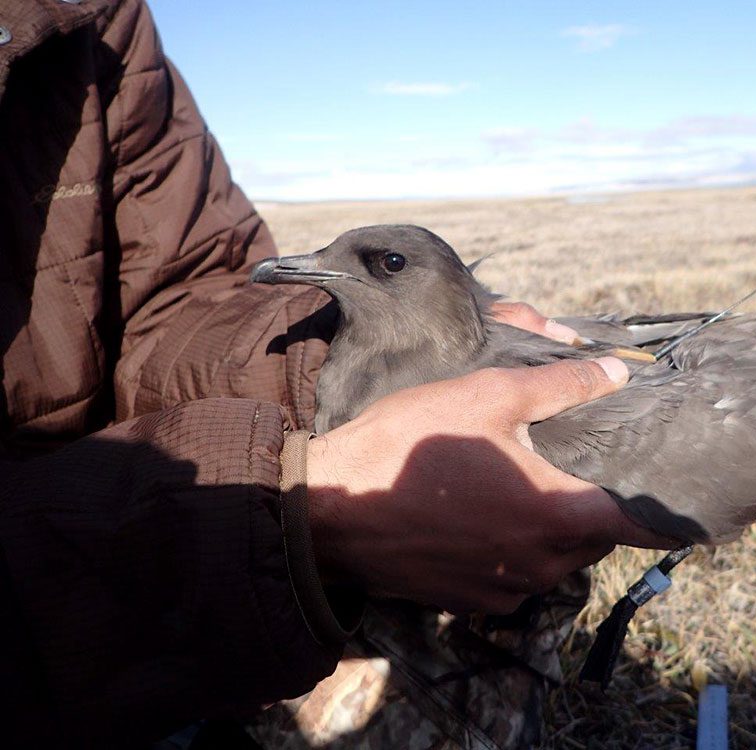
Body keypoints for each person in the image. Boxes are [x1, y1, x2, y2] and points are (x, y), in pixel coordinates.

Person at [0, 0, 667, 745]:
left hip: (154, 537)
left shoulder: (87, 13)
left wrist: (359, 376)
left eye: (376, 264)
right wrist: (297, 513)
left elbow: (177, 292)